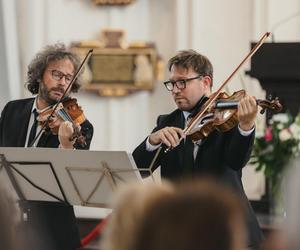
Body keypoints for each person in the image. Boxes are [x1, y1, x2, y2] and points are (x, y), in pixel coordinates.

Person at [133, 49, 263, 248]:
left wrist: (245, 127)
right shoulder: (167, 121)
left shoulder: (224, 117)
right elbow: (139, 168)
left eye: (182, 82)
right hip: (182, 232)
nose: (176, 90)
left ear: (206, 82)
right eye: (172, 83)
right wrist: (153, 140)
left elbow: (236, 161)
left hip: (227, 229)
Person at [0, 43, 94, 250]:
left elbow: (72, 181)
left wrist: (66, 143)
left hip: (54, 230)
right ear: (39, 76)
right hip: (9, 226)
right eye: (56, 74)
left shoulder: (81, 125)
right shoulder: (12, 110)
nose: (62, 83)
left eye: (68, 78)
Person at [133, 179, 247, 250]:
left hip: (218, 226)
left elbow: (236, 159)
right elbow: (140, 164)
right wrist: (152, 142)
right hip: (175, 229)